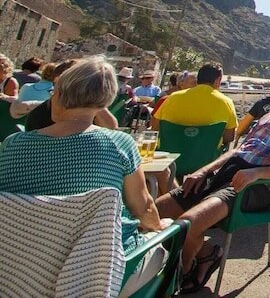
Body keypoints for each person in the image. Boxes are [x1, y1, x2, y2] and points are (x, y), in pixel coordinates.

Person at [0, 56, 168, 296]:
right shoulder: (119, 144)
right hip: (92, 274)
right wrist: (159, 228)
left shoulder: (13, 144)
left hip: (16, 268)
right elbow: (144, 208)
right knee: (167, 240)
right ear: (105, 102)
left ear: (59, 94)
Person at [154, 71, 270, 292]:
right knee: (153, 211)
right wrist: (204, 170)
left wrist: (256, 173)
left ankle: (178, 279)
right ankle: (207, 253)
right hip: (229, 172)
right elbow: (239, 150)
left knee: (189, 223)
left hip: (256, 185)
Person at [152, 62, 237, 146]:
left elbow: (155, 127)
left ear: (198, 79)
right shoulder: (226, 102)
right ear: (217, 80)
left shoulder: (173, 97)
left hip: (169, 151)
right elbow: (229, 137)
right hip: (206, 153)